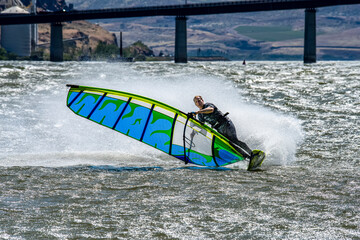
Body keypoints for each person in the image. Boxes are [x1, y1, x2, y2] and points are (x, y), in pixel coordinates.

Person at [191, 95, 254, 159]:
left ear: (202, 100)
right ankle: (247, 158)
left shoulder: (208, 105)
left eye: (199, 100)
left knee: (234, 141)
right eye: (196, 102)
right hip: (219, 129)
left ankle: (252, 154)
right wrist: (193, 132)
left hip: (226, 124)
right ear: (195, 104)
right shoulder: (200, 115)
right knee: (230, 145)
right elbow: (201, 125)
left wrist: (198, 111)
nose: (198, 103)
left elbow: (211, 110)